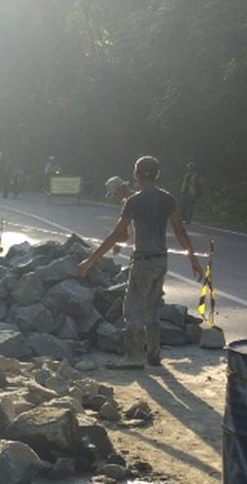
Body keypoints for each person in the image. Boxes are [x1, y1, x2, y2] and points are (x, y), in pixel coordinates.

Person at [77, 156, 203, 369]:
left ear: (135, 175)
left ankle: (134, 357)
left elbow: (117, 234)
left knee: (133, 310)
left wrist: (89, 261)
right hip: (161, 260)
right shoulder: (167, 199)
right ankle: (154, 354)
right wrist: (193, 259)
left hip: (143, 260)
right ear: (158, 174)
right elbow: (180, 231)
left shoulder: (133, 202)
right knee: (152, 308)